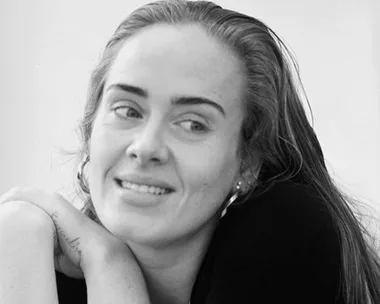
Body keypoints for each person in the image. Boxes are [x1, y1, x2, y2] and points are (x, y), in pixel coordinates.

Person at [0, 0, 379, 303]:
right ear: (90, 131)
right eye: (127, 110)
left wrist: (111, 267)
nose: (145, 147)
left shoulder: (285, 232)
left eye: (193, 124)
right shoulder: (44, 263)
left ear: (248, 161)